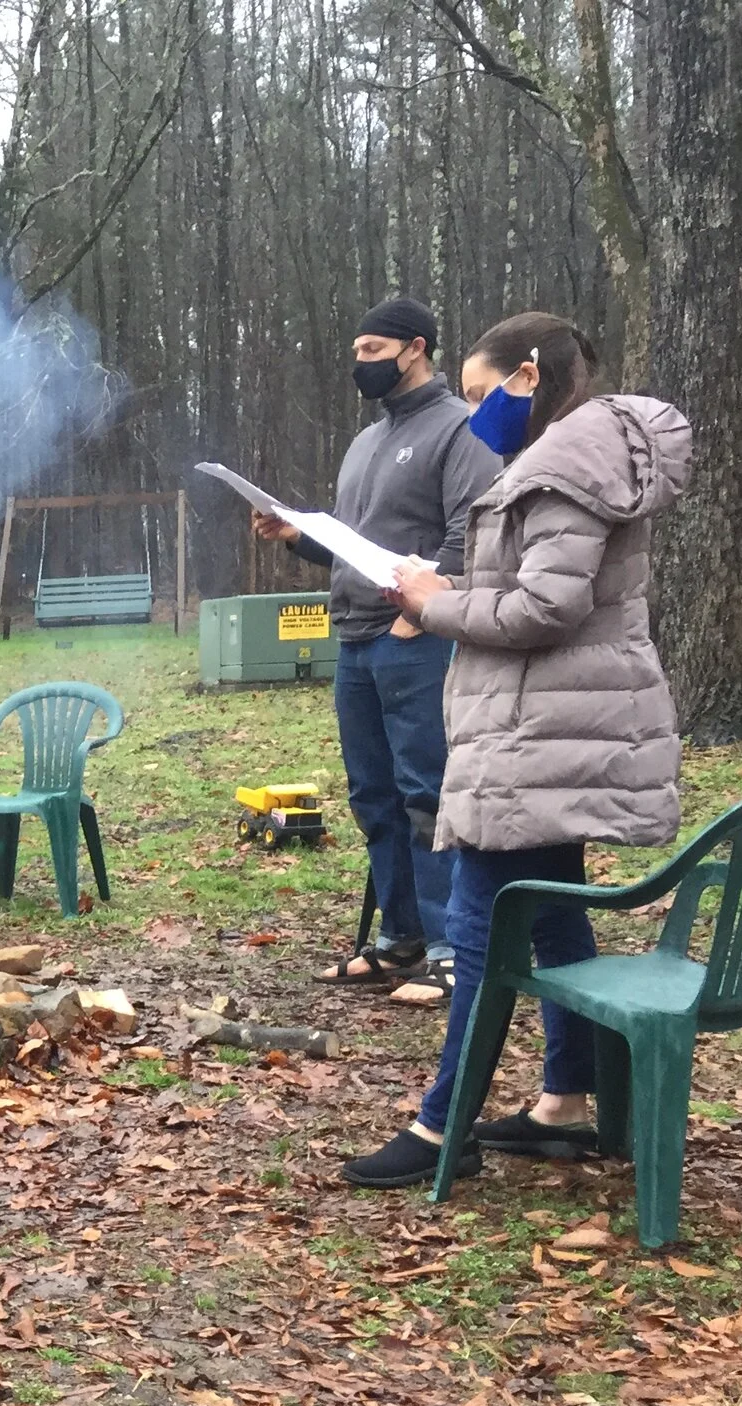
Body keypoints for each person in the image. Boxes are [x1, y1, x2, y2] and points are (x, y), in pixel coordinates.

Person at [341, 314, 688, 1190]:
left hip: (546, 730)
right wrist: (451, 587)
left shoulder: (567, 468)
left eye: (478, 393)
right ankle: (563, 1103)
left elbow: (545, 612)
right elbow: (531, 588)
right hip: (549, 725)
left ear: (527, 379)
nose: (473, 413)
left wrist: (432, 603)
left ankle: (439, 1126)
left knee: (477, 918)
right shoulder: (566, 459)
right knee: (553, 910)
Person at [253, 297, 498, 994]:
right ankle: (399, 939)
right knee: (374, 795)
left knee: (427, 790)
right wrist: (299, 536)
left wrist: (420, 617)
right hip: (355, 642)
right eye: (356, 352)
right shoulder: (366, 441)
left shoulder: (460, 429)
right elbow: (356, 549)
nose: (358, 364)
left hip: (416, 641)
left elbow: (469, 535)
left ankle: (453, 949)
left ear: (413, 348)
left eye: (370, 351)